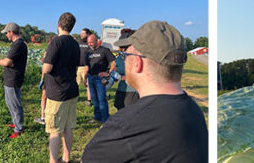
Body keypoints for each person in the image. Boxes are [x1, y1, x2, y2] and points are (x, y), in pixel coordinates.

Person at [82, 21, 208, 163]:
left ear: (137, 63)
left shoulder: (125, 126)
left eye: (126, 55)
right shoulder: (195, 110)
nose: (123, 57)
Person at [41, 12, 80, 163]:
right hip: (71, 89)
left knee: (55, 131)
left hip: (58, 92)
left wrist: (44, 61)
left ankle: (53, 161)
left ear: (58, 24)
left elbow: (47, 68)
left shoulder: (56, 42)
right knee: (68, 127)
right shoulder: (75, 43)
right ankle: (66, 158)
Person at [0, 22, 28, 139]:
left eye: (7, 33)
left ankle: (19, 129)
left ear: (11, 32)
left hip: (13, 79)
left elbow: (7, 62)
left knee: (14, 104)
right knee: (10, 102)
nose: (6, 35)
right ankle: (15, 122)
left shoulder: (18, 45)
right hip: (11, 78)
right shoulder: (18, 44)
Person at [84, 34, 116, 123]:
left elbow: (113, 62)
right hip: (91, 77)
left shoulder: (104, 50)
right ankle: (97, 117)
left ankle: (105, 119)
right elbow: (87, 65)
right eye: (88, 42)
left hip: (100, 79)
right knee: (94, 99)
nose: (89, 44)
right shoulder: (87, 52)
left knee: (101, 99)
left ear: (96, 41)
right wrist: (85, 77)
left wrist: (108, 73)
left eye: (91, 42)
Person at [76, 28, 92, 104]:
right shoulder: (77, 43)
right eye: (81, 33)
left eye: (83, 33)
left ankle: (89, 101)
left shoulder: (90, 44)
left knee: (88, 85)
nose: (81, 35)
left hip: (87, 67)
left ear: (88, 34)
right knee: (76, 84)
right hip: (78, 67)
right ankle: (74, 99)